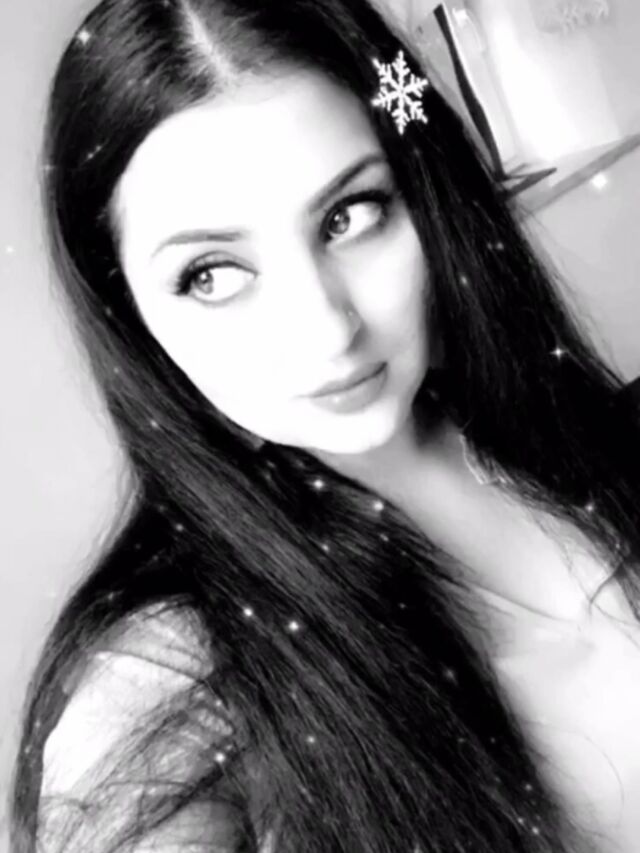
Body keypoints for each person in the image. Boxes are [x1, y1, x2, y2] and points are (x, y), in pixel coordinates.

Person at [8, 0, 640, 851]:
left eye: (350, 216)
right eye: (211, 273)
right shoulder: (162, 676)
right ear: (132, 316)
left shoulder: (573, 433)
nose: (326, 328)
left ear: (425, 199)